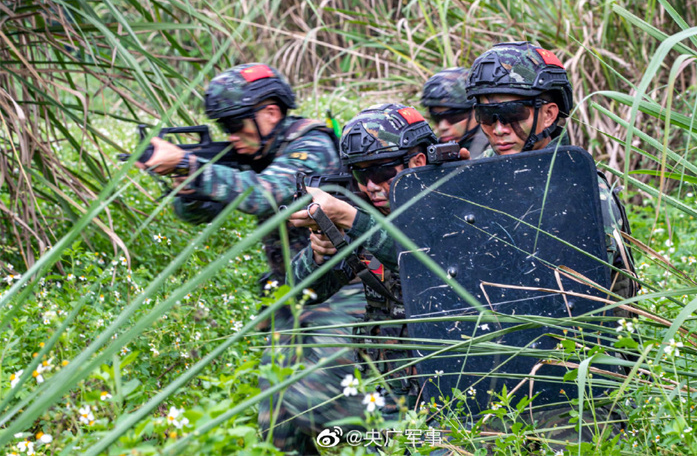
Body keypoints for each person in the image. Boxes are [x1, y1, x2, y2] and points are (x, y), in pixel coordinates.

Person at [466, 41, 637, 447]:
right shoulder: (470, 183)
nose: (498, 129)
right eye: (486, 116)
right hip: (495, 380)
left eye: (511, 114)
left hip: (575, 380)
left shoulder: (584, 193)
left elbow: (605, 300)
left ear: (548, 112)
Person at [257, 103, 437, 454]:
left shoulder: (444, 201)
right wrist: (321, 252)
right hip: (389, 382)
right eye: (360, 174)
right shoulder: (366, 214)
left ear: (417, 162)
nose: (371, 186)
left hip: (447, 379)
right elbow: (306, 290)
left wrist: (350, 217)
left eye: (383, 170)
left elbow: (423, 259)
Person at [136, 63, 340, 285]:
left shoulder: (312, 145)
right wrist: (189, 191)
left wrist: (191, 167)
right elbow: (200, 215)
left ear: (271, 113)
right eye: (225, 127)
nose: (232, 136)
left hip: (345, 287)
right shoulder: (259, 154)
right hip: (295, 285)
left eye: (235, 123)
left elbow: (265, 195)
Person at [421, 67, 489, 158]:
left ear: (478, 112)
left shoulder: (500, 146)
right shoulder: (430, 152)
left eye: (453, 117)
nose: (443, 126)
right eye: (436, 118)